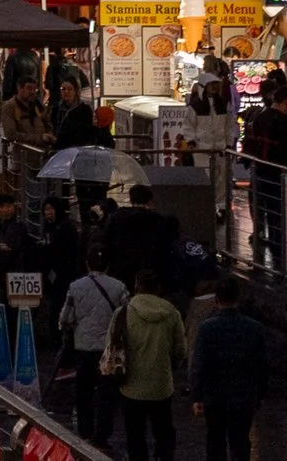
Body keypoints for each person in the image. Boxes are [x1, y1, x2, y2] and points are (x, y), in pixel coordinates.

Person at [188, 276, 271, 461]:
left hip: (214, 396)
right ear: (238, 298)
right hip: (244, 396)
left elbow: (199, 364)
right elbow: (261, 365)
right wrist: (261, 394)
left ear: (216, 300)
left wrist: (197, 396)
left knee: (215, 442)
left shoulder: (207, 328)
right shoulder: (254, 328)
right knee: (240, 442)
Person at [56, 251, 127, 445]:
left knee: (83, 390)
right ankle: (102, 434)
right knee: (107, 392)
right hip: (109, 349)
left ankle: (85, 430)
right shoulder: (119, 287)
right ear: (108, 265)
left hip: (84, 346)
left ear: (87, 264)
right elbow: (125, 315)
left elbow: (65, 319)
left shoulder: (75, 287)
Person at [117, 268, 186, 461]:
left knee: (135, 434)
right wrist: (171, 365)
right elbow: (180, 350)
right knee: (164, 431)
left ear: (136, 286)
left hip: (131, 385)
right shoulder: (171, 313)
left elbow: (111, 347)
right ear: (158, 287)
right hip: (161, 384)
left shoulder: (123, 312)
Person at [239, 86, 287, 270]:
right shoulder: (286, 121)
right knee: (277, 213)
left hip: (259, 168)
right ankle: (278, 251)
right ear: (286, 102)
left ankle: (258, 238)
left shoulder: (260, 116)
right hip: (278, 171)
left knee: (259, 206)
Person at [101, 183, 177, 291]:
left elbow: (106, 242)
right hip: (149, 277)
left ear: (131, 200)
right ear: (150, 200)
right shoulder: (159, 221)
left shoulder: (116, 219)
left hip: (121, 274)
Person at [0, 80, 53, 148]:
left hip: (42, 151)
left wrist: (49, 135)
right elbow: (11, 134)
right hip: (23, 152)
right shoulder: (10, 107)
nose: (32, 92)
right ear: (19, 88)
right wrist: (39, 138)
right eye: (29, 88)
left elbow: (48, 124)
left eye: (35, 89)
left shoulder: (38, 105)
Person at [52, 79, 100, 150]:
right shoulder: (56, 108)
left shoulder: (84, 109)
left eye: (69, 89)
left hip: (77, 149)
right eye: (63, 89)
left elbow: (87, 132)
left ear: (75, 91)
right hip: (59, 149)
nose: (66, 92)